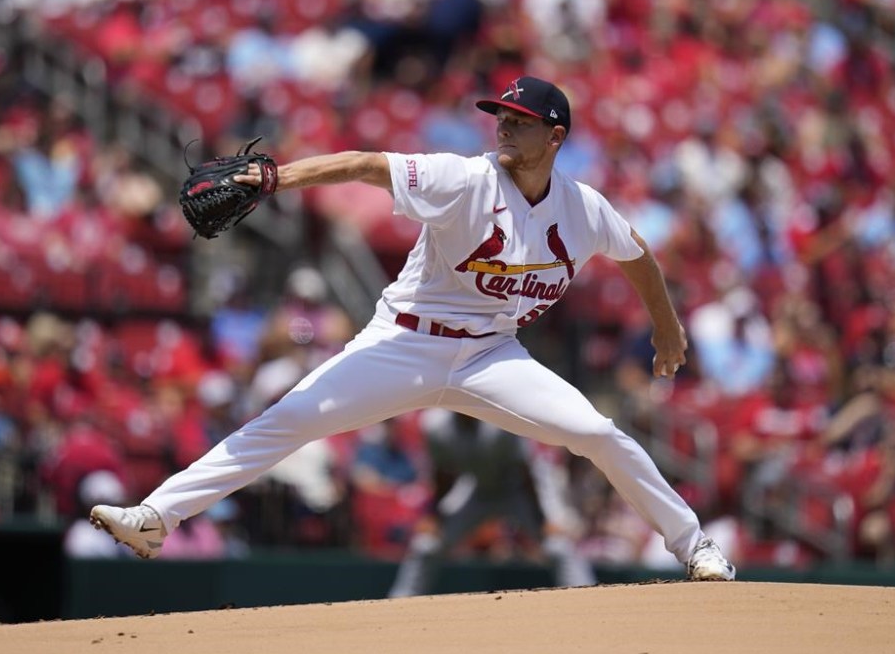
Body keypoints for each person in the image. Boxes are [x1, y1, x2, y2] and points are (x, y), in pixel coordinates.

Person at [91, 76, 735, 581]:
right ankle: (156, 517)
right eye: (501, 117)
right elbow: (367, 164)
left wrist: (667, 330)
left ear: (556, 136)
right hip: (403, 342)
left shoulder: (582, 207)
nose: (504, 127)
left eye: (520, 121)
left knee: (597, 432)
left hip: (490, 355)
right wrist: (280, 177)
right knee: (286, 421)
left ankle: (696, 546)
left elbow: (638, 254)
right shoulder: (465, 178)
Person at [388, 409, 595, 597]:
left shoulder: (500, 421)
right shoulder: (435, 425)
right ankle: (398, 602)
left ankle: (586, 597)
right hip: (476, 488)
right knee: (426, 545)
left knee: (557, 545)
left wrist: (542, 520)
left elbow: (525, 473)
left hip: (517, 489)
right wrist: (434, 515)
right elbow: (444, 474)